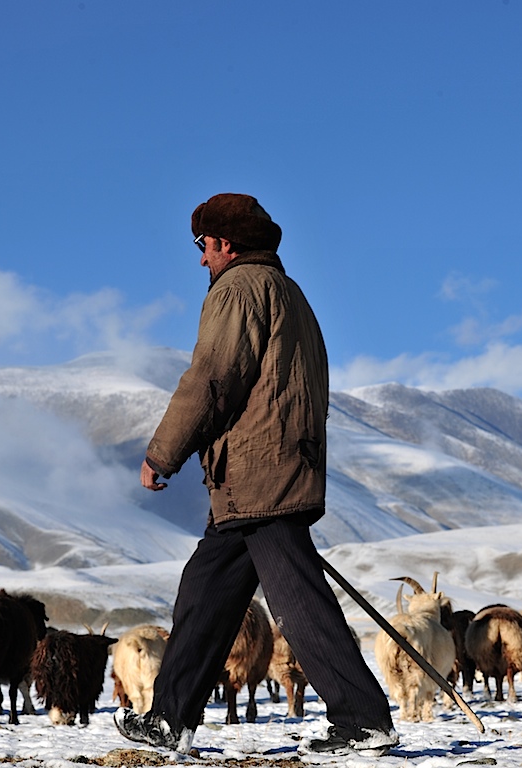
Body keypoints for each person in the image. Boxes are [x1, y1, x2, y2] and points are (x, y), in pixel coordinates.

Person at [113, 193, 398, 757]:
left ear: (226, 243)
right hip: (257, 477)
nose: (200, 260)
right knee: (206, 591)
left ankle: (363, 719)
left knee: (297, 599)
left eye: (203, 246)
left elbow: (214, 379)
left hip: (261, 474)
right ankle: (171, 717)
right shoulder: (290, 293)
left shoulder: (239, 290)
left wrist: (162, 453)